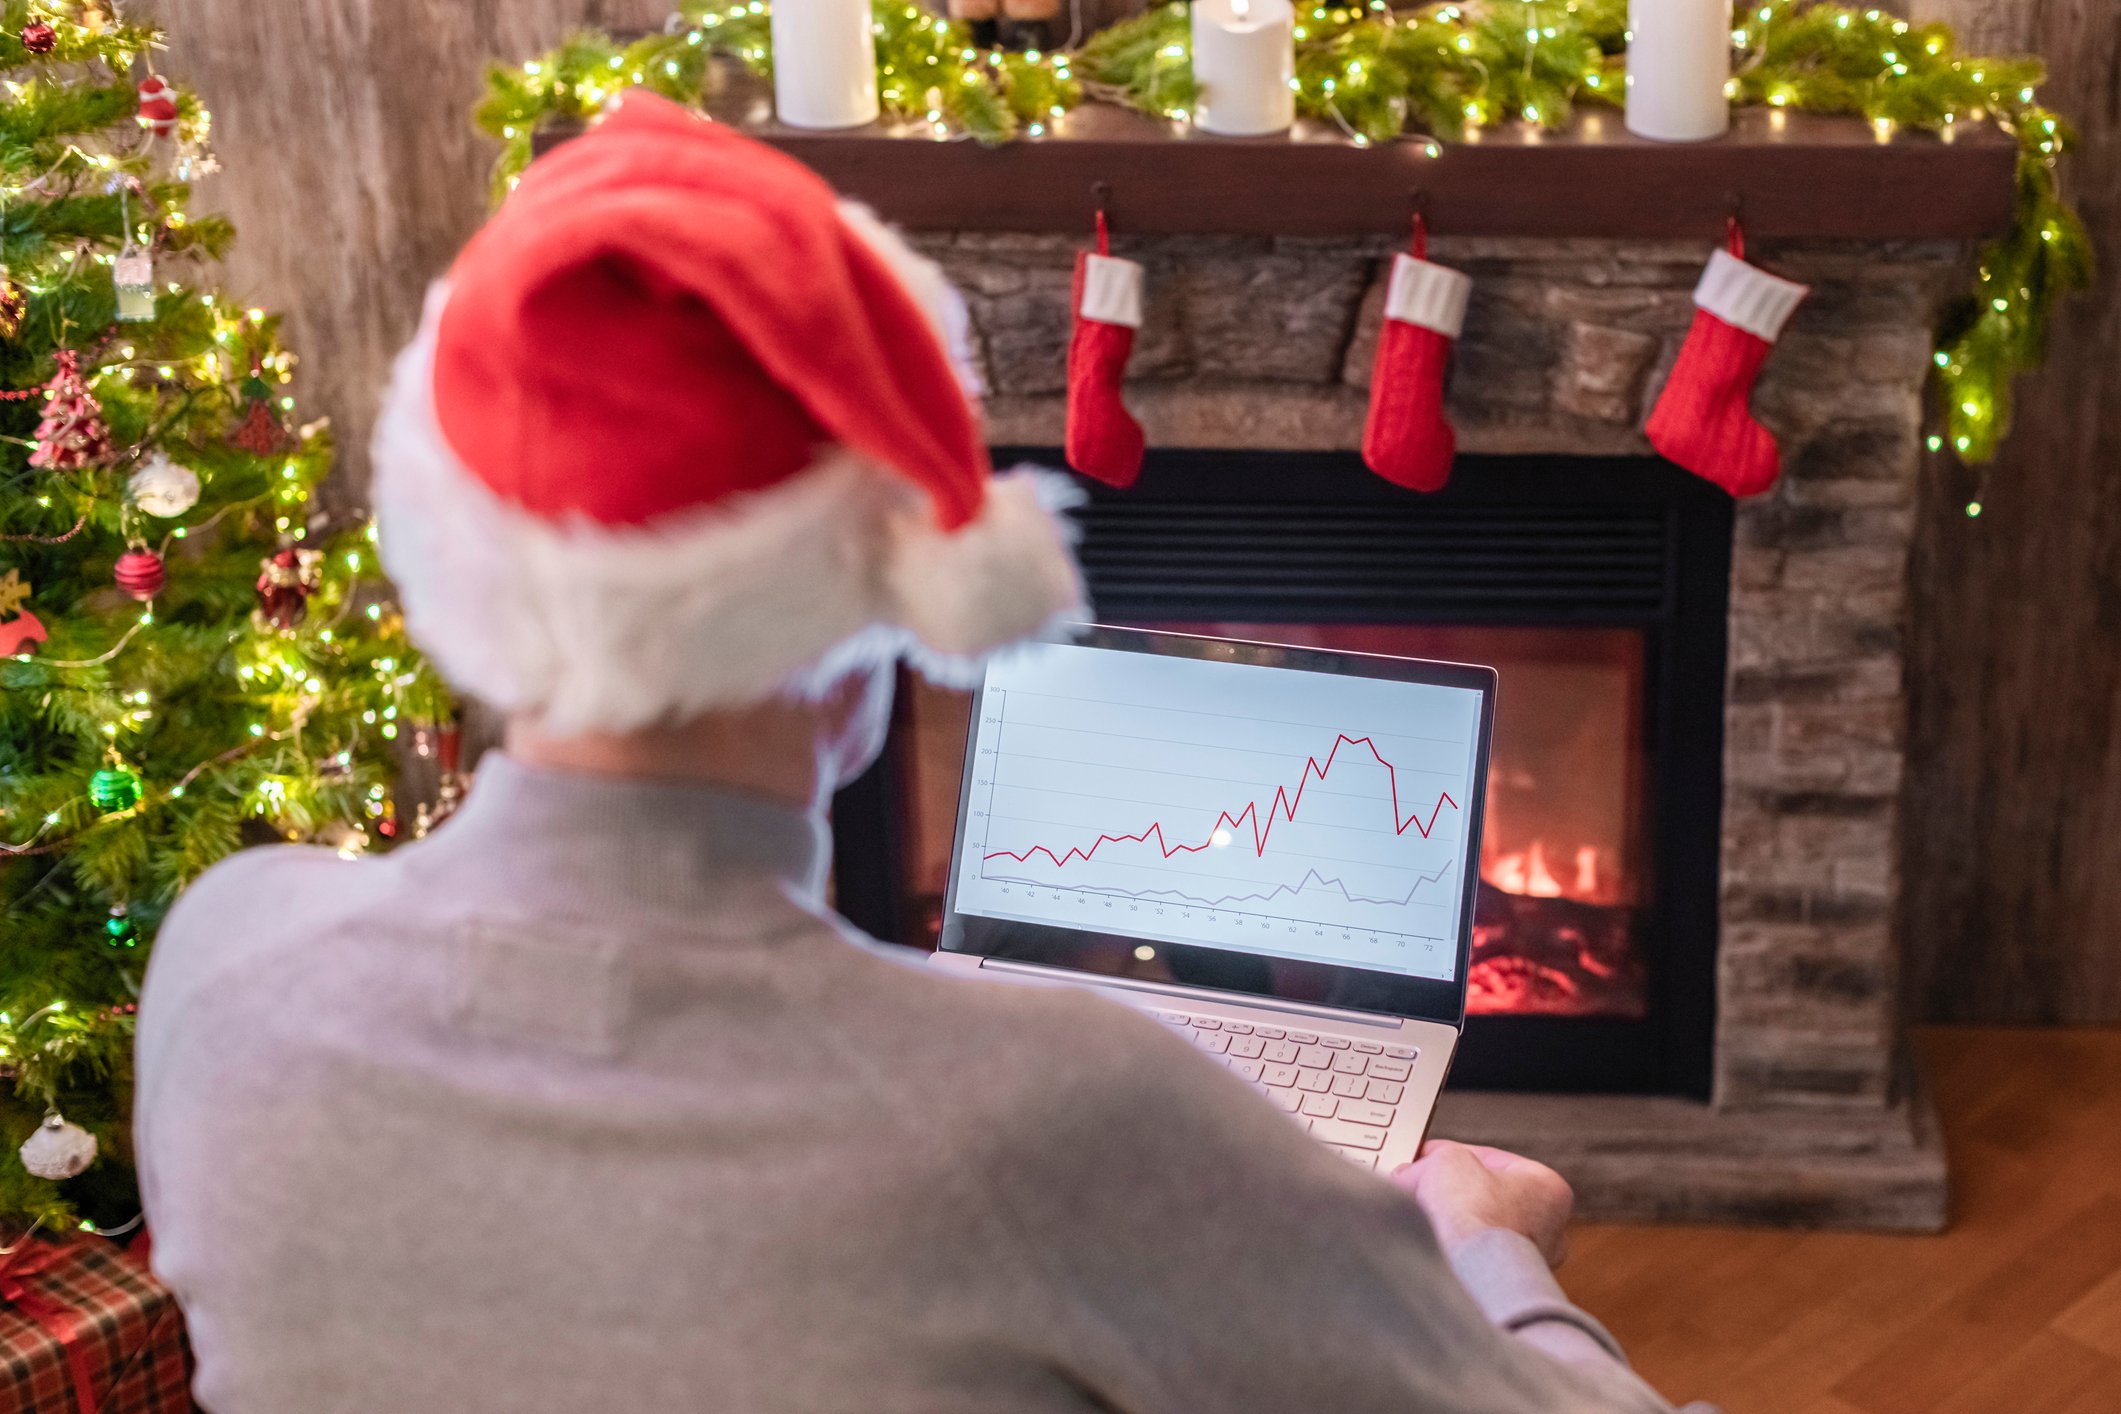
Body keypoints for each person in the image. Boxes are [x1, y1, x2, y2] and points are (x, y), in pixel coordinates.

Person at [134, 93, 1708, 1413]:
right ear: (889, 601)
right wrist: (1486, 1243)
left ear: (457, 567)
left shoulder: (226, 965)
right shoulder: (1058, 1112)